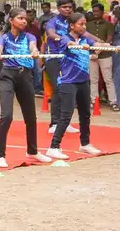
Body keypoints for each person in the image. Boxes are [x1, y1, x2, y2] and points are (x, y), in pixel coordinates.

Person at [44, 13, 105, 161]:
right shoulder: (64, 37)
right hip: (68, 81)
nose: (84, 27)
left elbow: (96, 45)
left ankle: (85, 143)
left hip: (83, 80)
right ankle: (53, 147)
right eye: (81, 24)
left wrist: (105, 47)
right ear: (72, 25)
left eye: (85, 24)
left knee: (85, 114)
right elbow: (70, 45)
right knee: (66, 114)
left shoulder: (85, 39)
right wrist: (81, 46)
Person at [0, 8, 46, 168]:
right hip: (7, 76)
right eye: (20, 18)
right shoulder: (4, 37)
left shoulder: (29, 36)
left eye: (25, 19)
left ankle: (33, 151)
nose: (24, 21)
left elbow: (33, 47)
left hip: (25, 76)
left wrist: (35, 52)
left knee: (31, 117)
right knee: (6, 116)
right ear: (11, 20)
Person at [44, 0, 78, 136]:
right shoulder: (53, 21)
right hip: (54, 58)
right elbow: (50, 33)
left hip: (68, 58)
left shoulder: (72, 22)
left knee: (68, 89)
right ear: (58, 8)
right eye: (64, 7)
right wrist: (61, 39)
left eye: (70, 7)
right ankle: (54, 123)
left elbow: (84, 33)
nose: (68, 9)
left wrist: (99, 42)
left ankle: (65, 122)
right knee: (58, 89)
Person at [86, 3, 117, 110]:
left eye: (97, 11)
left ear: (102, 12)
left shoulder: (109, 24)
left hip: (105, 54)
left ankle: (113, 102)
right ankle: (94, 101)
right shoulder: (88, 24)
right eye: (93, 11)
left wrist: (98, 51)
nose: (95, 13)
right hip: (92, 55)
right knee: (93, 79)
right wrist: (94, 52)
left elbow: (109, 39)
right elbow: (87, 39)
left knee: (108, 79)